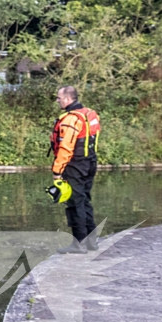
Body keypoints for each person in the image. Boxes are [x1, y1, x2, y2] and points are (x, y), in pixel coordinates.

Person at [49, 86, 101, 254]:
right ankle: (92, 241)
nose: (57, 101)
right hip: (90, 162)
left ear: (68, 99)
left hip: (74, 166)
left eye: (59, 98)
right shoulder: (90, 114)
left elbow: (65, 148)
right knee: (85, 200)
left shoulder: (70, 120)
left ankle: (79, 244)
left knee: (74, 203)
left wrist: (57, 171)